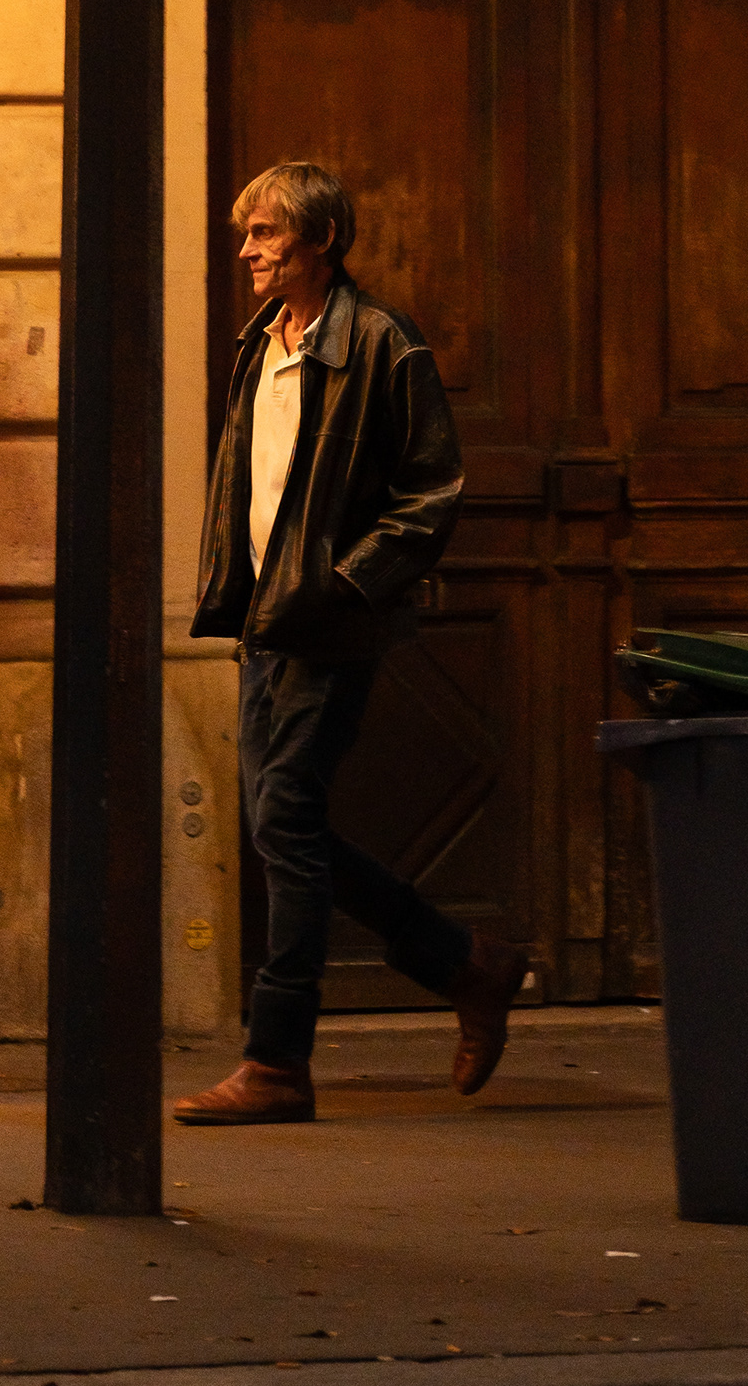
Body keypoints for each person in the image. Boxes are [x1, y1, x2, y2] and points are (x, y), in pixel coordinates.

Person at [177, 161, 529, 1126]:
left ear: (322, 240)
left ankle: (279, 1059)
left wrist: (341, 586)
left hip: (329, 625)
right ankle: (468, 964)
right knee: (283, 829)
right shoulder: (263, 345)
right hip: (267, 624)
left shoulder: (381, 343)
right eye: (246, 233)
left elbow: (432, 492)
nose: (246, 250)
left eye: (266, 234)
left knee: (283, 821)